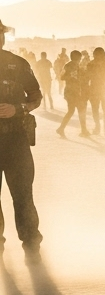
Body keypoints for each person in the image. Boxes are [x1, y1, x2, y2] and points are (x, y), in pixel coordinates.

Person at [0, 20, 44, 260]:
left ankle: (31, 247)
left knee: (23, 196)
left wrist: (20, 109)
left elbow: (36, 96)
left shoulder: (17, 64)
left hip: (16, 140)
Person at [57, 50, 89, 137]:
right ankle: (83, 130)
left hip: (71, 91)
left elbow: (62, 77)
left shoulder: (68, 65)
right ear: (78, 58)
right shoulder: (73, 66)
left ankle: (62, 128)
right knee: (80, 110)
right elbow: (63, 77)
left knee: (72, 111)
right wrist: (72, 76)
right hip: (75, 92)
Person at [87, 47, 105, 135]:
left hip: (95, 89)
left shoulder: (90, 64)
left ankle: (98, 127)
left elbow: (87, 77)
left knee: (95, 109)